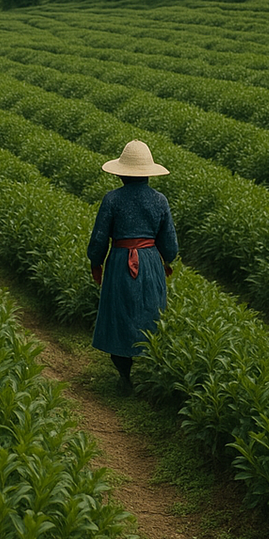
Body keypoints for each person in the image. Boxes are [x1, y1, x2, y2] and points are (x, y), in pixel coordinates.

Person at [88, 140, 179, 394]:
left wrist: (95, 261)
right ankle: (149, 374)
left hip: (119, 261)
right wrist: (166, 261)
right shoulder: (160, 201)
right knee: (150, 312)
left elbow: (99, 238)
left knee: (120, 315)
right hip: (150, 262)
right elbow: (170, 245)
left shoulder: (112, 200)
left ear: (120, 173)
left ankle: (124, 376)